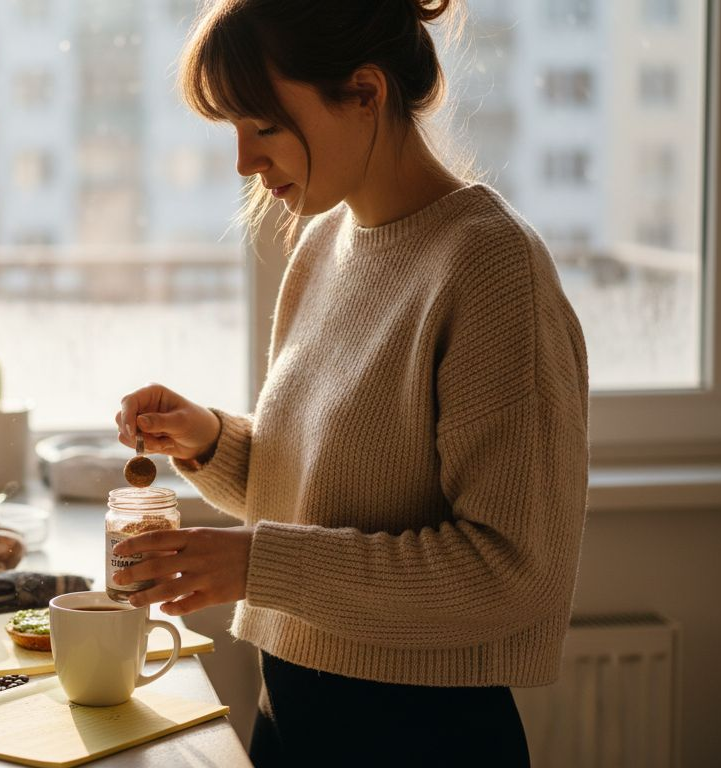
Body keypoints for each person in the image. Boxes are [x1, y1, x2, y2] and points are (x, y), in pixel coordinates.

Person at [111, 0, 589, 765]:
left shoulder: (491, 269)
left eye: (262, 126)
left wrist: (253, 564)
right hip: (291, 720)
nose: (243, 161)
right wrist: (213, 441)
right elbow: (327, 492)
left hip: (421, 741)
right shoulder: (322, 244)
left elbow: (508, 573)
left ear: (364, 94)